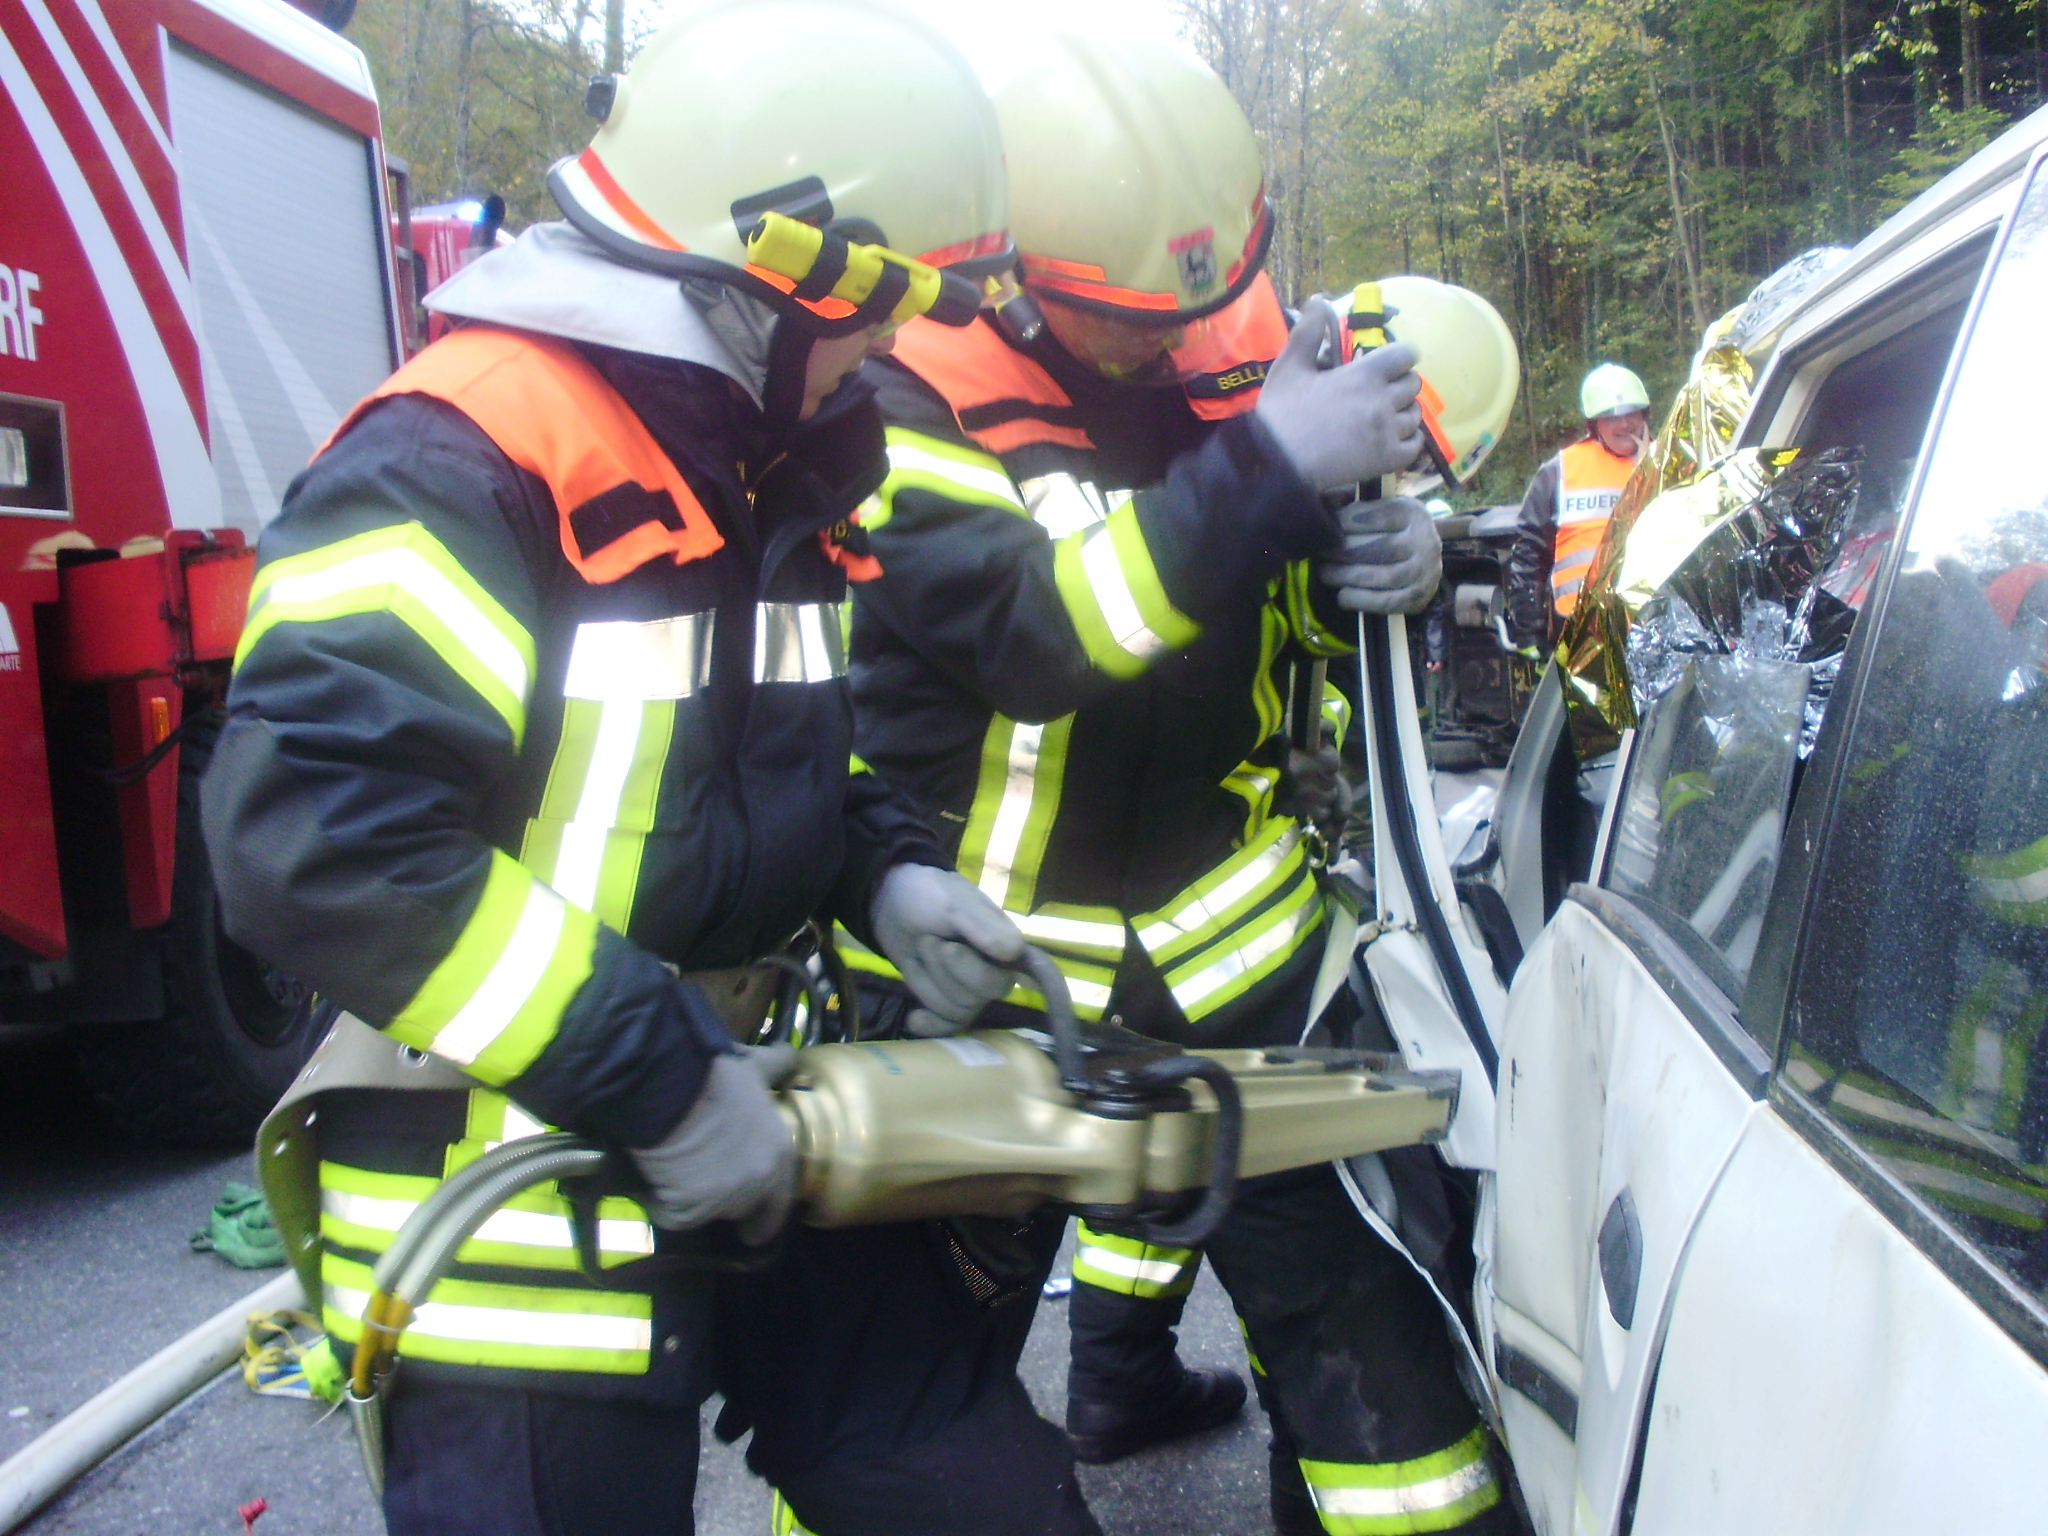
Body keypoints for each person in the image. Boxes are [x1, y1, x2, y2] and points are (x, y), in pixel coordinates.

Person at [201, 6, 1040, 1533]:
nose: (891, 352)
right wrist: (658, 1074)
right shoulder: (455, 462)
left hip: (768, 1130)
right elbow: (317, 842)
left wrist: (887, 870)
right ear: (772, 276)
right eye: (880, 313)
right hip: (520, 1218)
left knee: (979, 1495)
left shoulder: (762, 457)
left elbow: (753, 755)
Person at [841, 33, 1512, 1536]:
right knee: (897, 1397)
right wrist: (1268, 465)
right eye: (1125, 319)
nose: (1166, 346)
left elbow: (1274, 607)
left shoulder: (1233, 340)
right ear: (1014, 272)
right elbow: (1037, 637)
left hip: (1247, 958)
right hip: (983, 978)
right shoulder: (901, 399)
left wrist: (1379, 568)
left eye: (1190, 311)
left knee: (1378, 1359)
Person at [1505, 362, 1652, 650]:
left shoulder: (1668, 461)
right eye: (1611, 417)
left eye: (1631, 413)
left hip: (1651, 624)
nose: (1624, 424)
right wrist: (1530, 632)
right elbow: (1529, 553)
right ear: (1593, 424)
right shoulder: (1559, 471)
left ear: (1645, 414)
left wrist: (1651, 471)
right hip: (1580, 630)